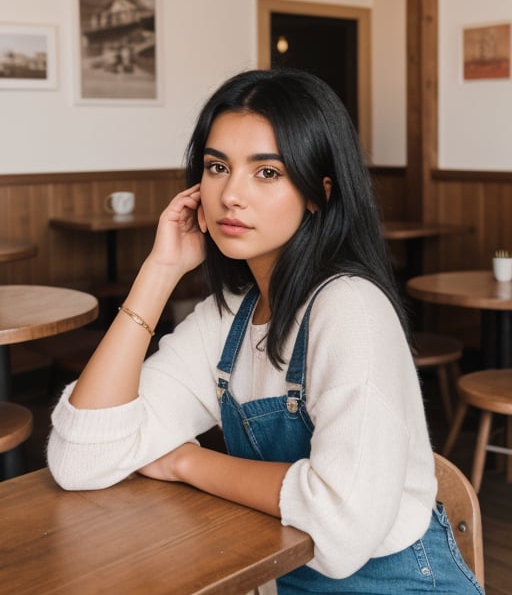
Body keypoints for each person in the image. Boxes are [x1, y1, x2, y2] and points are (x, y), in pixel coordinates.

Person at [47, 69, 483, 595]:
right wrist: (159, 271)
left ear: (319, 193)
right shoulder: (228, 313)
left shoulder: (350, 309)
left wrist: (186, 460)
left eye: (267, 172)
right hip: (282, 579)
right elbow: (81, 459)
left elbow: (344, 526)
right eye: (216, 167)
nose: (231, 194)